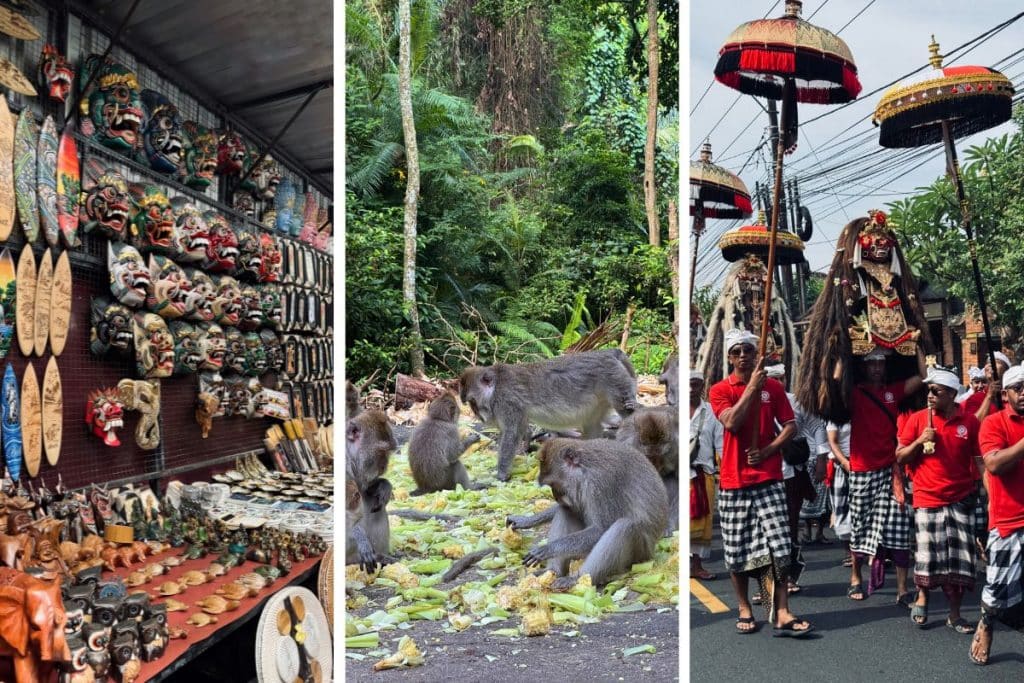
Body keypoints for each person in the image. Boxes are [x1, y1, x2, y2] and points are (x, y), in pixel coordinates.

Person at [708, 329, 811, 637]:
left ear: (756, 355)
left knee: (780, 547)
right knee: (737, 551)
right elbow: (732, 422)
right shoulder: (719, 389)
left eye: (748, 351)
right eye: (737, 351)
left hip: (769, 478)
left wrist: (769, 449)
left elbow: (791, 425)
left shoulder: (775, 389)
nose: (742, 356)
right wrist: (752, 386)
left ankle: (780, 610)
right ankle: (744, 607)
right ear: (729, 357)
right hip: (734, 481)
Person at [896, 368, 980, 633]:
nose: (930, 395)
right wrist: (921, 441)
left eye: (936, 391)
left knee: (960, 560)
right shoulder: (918, 419)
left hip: (960, 497)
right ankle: (922, 596)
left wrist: (987, 492)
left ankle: (954, 615)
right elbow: (900, 457)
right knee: (927, 556)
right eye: (928, 390)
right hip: (927, 496)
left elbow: (978, 460)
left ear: (953, 394)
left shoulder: (970, 422)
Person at [846, 348, 924, 605]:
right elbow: (835, 382)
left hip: (891, 470)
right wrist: (842, 350)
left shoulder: (893, 391)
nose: (877, 368)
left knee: (899, 527)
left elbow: (923, 376)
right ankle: (856, 577)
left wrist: (917, 344)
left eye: (881, 363)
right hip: (861, 469)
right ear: (864, 367)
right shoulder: (854, 392)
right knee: (859, 525)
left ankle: (902, 589)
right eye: (872, 364)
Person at [969, 365, 1024, 665]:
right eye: (1019, 387)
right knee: (998, 586)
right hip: (1009, 520)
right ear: (1005, 394)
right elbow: (993, 464)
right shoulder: (993, 423)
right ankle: (986, 624)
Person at [764, 364, 828, 595]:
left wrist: (822, 459)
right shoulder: (754, 401)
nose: (777, 383)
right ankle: (768, 581)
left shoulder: (797, 401)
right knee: (764, 530)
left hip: (792, 472)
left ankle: (789, 575)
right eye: (772, 379)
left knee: (789, 525)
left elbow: (817, 426)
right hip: (764, 473)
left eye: (780, 378)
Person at [690, 369, 723, 581]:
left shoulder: (711, 412)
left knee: (702, 521)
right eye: (688, 384)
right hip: (677, 474)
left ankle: (697, 565)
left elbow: (721, 445)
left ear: (703, 386)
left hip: (703, 474)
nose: (692, 389)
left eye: (696, 384)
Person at [827, 421, 854, 566]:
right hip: (841, 465)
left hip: (862, 464)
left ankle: (867, 551)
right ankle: (849, 551)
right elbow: (833, 442)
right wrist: (845, 463)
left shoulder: (860, 412)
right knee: (841, 509)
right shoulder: (834, 418)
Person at [963, 352, 1009, 421]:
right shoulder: (975, 398)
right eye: (988, 362)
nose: (991, 364)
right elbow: (973, 424)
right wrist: (989, 396)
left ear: (1006, 370)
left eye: (997, 362)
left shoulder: (1013, 396)